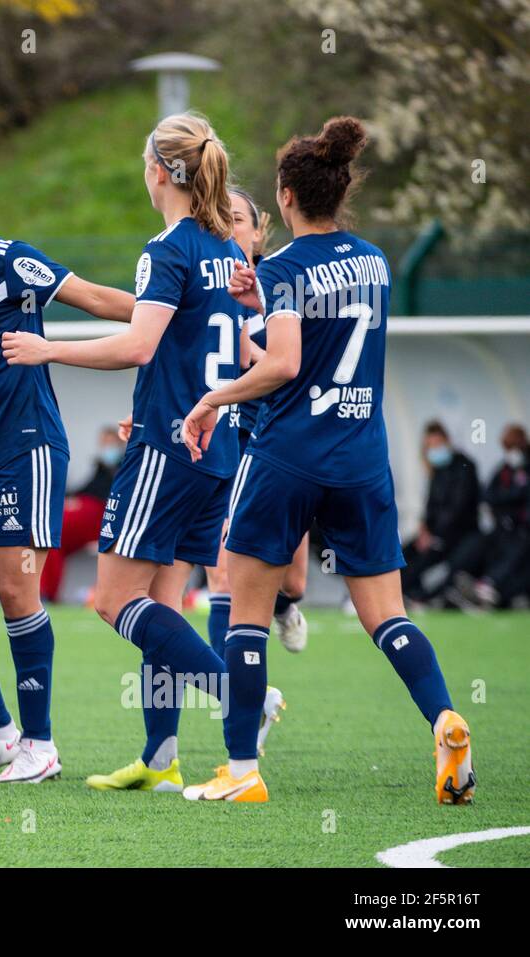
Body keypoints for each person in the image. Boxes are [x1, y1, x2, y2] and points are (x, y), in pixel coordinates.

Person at [182, 116, 474, 804]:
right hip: (362, 459)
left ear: (284, 197)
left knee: (245, 611)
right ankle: (443, 718)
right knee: (387, 615)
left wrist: (212, 400)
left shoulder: (280, 267)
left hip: (287, 454)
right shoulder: (375, 261)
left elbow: (284, 363)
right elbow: (328, 327)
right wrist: (263, 302)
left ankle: (242, 770)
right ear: (341, 193)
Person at [1, 111, 246, 795]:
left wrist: (50, 347)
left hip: (168, 449)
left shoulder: (167, 249)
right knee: (161, 604)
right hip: (213, 444)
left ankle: (240, 699)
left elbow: (138, 345)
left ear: (159, 172)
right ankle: (161, 755)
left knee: (112, 602)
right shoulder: (228, 250)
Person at [0, 170, 136, 784]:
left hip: (27, 448)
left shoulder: (13, 260)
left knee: (17, 591)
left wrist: (165, 314)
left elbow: (94, 298)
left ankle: (41, 743)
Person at [202, 188, 309, 665]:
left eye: (237, 218)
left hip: (279, 441)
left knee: (293, 580)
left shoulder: (279, 283)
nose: (227, 225)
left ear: (258, 230)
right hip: (222, 437)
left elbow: (292, 366)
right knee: (221, 573)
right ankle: (239, 699)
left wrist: (256, 355)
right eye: (219, 216)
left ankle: (285, 606)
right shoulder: (204, 283)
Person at [443, 424, 530, 609]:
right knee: (476, 545)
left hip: (522, 530)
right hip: (503, 528)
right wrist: (509, 499)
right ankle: (461, 583)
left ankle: (490, 585)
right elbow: (488, 494)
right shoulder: (505, 469)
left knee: (516, 551)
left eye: (512, 446)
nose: (510, 452)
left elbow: (519, 495)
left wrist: (506, 500)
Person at [38, 426, 125, 603]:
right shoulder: (101, 468)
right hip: (86, 510)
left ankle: (47, 593)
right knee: (50, 538)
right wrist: (70, 499)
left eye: (110, 443)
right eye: (104, 443)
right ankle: (45, 591)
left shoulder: (123, 468)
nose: (107, 447)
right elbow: (86, 489)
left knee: (53, 533)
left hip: (99, 516)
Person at [400, 421, 481, 603]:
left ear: (447, 441)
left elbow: (457, 508)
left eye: (436, 444)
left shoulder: (464, 466)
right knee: (402, 554)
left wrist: (434, 535)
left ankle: (422, 598)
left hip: (460, 534)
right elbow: (431, 505)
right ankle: (407, 593)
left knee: (423, 559)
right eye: (430, 446)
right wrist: (424, 529)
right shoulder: (437, 471)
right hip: (435, 533)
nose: (433, 449)